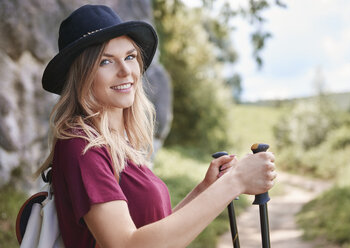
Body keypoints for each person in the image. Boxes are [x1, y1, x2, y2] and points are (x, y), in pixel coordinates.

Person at [35, 4, 277, 248]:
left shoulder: (118, 145)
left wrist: (205, 189)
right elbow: (126, 245)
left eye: (130, 57)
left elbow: (155, 234)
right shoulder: (80, 147)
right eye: (105, 62)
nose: (125, 71)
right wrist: (235, 181)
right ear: (80, 75)